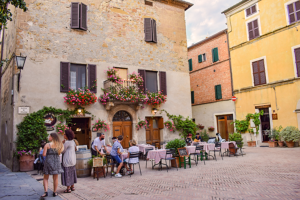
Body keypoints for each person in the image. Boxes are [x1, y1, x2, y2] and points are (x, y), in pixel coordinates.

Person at [41, 133, 64, 198]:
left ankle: (46, 192)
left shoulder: (47, 145)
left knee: (45, 177)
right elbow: (60, 152)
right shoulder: (60, 145)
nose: (49, 137)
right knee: (55, 178)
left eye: (49, 136)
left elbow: (44, 154)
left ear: (52, 137)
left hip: (48, 161)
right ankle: (55, 192)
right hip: (56, 162)